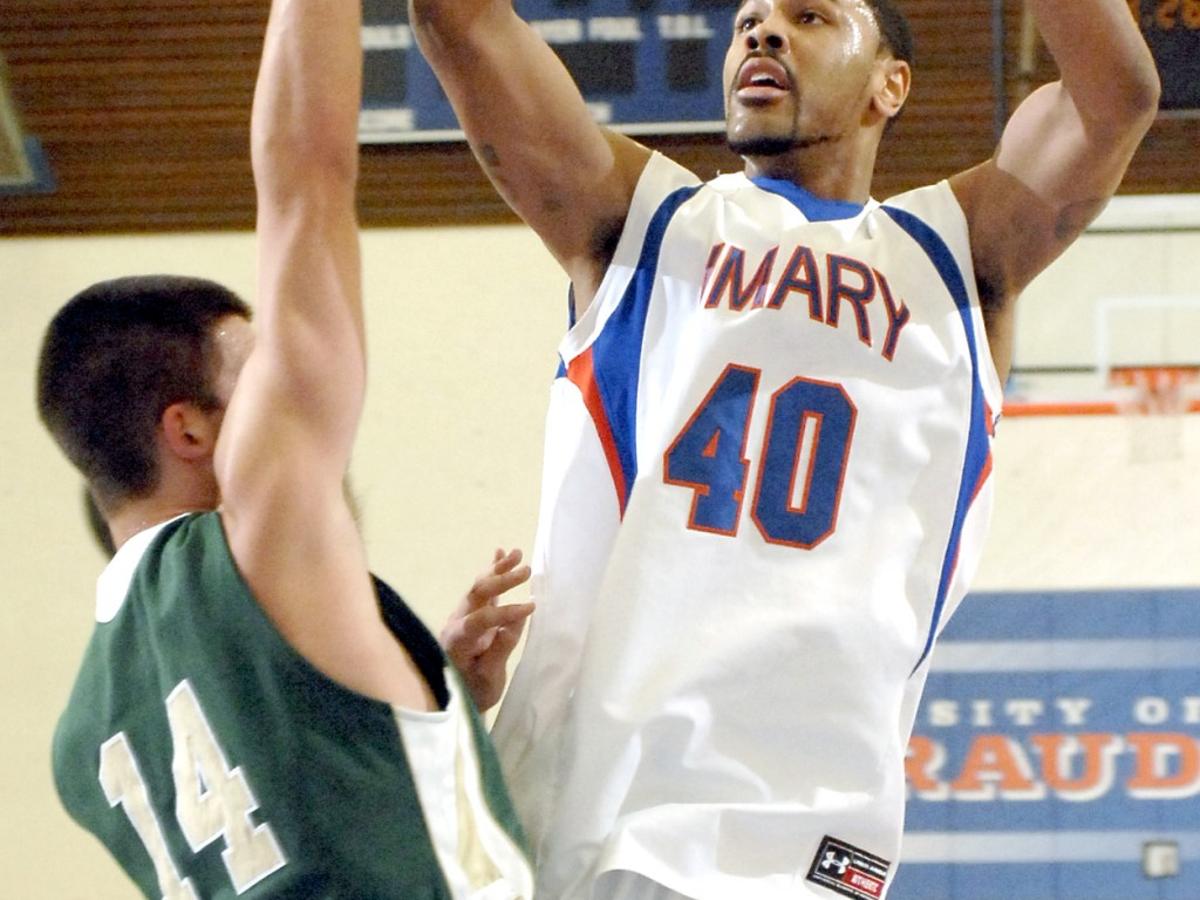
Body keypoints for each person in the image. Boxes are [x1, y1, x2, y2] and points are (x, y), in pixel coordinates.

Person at [408, 0, 1161, 896]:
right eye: (746, 23)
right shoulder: (639, 223)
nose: (761, 35)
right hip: (605, 817)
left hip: (812, 835)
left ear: (893, 83)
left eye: (809, 17)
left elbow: (1116, 96)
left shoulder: (959, 253)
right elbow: (462, 24)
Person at [37, 0, 536, 896]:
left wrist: (430, 695)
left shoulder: (82, 741)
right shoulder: (252, 538)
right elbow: (306, 176)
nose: (285, 380)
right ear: (191, 429)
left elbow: (298, 814)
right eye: (256, 368)